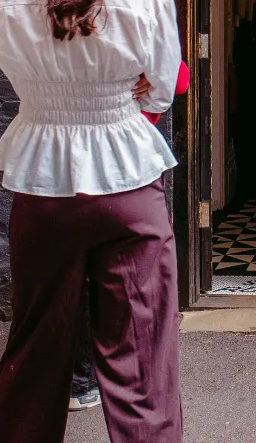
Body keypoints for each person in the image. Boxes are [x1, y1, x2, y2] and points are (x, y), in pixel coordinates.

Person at [0, 0, 184, 443]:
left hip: (41, 174)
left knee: (35, 344)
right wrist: (124, 89)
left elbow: (10, 67)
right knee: (142, 350)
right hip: (127, 175)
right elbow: (162, 86)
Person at [69, 62, 190, 413]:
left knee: (75, 272)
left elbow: (179, 80)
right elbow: (180, 80)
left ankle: (78, 380)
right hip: (128, 166)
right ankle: (102, 382)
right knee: (124, 279)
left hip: (72, 155)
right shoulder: (137, 39)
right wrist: (154, 68)